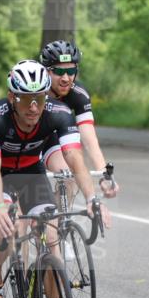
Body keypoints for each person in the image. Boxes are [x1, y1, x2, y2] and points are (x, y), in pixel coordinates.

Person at [0, 59, 111, 298]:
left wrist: (91, 198)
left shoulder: (59, 113)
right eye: (26, 99)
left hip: (32, 174)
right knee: (9, 231)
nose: (34, 107)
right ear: (13, 97)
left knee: (51, 239)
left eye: (39, 98)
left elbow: (75, 159)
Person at [38, 40, 119, 198]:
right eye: (59, 72)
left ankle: (58, 222)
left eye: (71, 71)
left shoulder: (79, 94)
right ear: (46, 71)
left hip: (51, 140)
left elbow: (89, 139)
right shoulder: (34, 92)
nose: (66, 78)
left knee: (68, 177)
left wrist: (104, 174)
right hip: (24, 141)